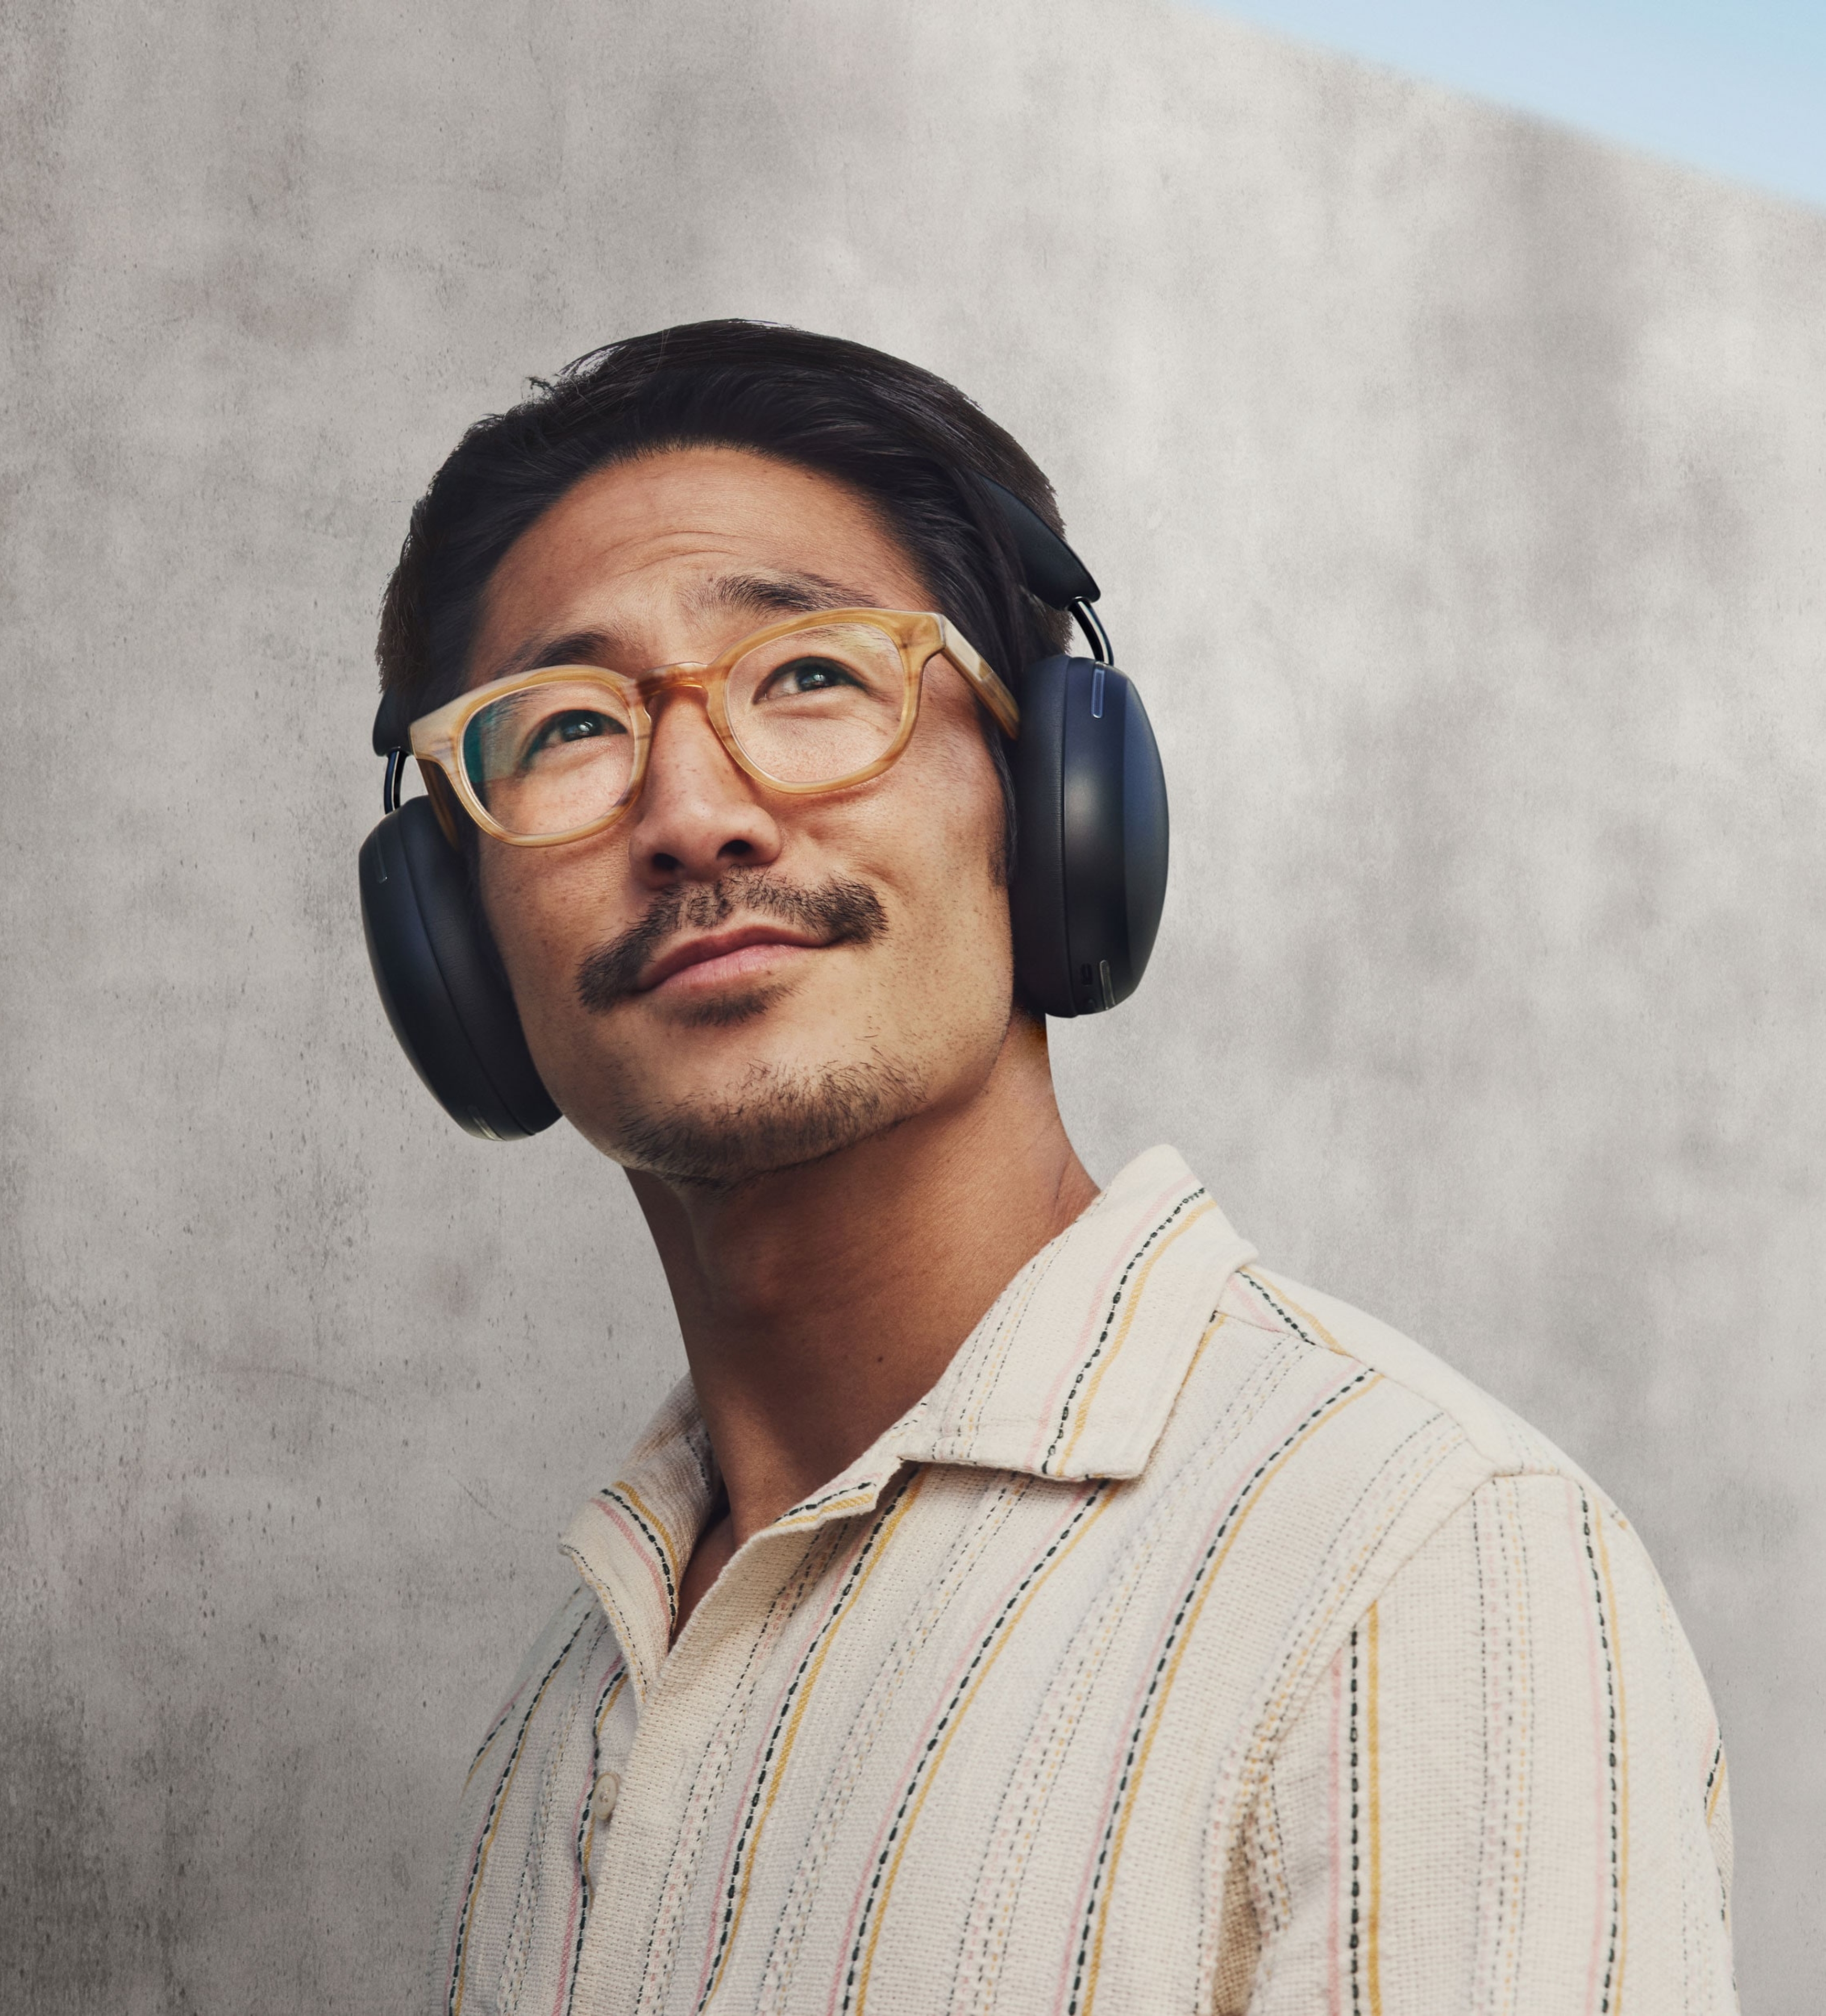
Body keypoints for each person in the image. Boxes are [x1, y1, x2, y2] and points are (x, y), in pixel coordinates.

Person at [365, 322, 1736, 2015]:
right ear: (448, 937)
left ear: (1050, 803)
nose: (694, 811)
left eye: (809, 676)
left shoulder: (1410, 1566)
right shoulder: (570, 1718)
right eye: (568, 726)